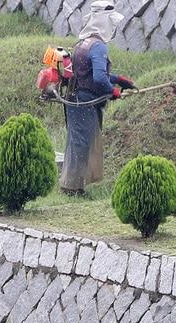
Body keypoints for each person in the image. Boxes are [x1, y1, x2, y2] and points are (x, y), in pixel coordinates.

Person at [60, 0, 136, 196]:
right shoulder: (99, 46)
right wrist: (114, 91)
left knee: (77, 141)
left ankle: (72, 185)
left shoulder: (82, 43)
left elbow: (86, 74)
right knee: (83, 144)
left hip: (76, 98)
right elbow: (99, 78)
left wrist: (118, 79)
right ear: (105, 22)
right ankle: (73, 189)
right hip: (86, 101)